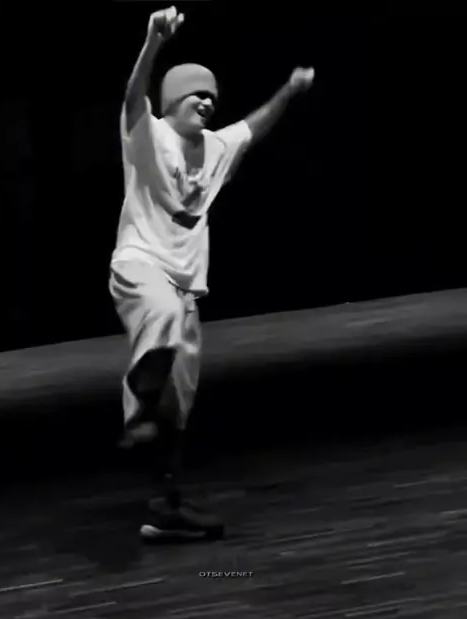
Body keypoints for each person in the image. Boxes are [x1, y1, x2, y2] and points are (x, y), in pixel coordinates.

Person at [109, 5, 315, 540]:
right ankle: (137, 409)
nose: (207, 102)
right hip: (140, 267)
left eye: (212, 98)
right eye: (196, 95)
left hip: (186, 292)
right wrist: (153, 42)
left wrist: (288, 92)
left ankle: (165, 506)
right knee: (158, 313)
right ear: (172, 102)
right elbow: (133, 96)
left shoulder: (216, 148)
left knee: (178, 406)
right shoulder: (147, 135)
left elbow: (253, 127)